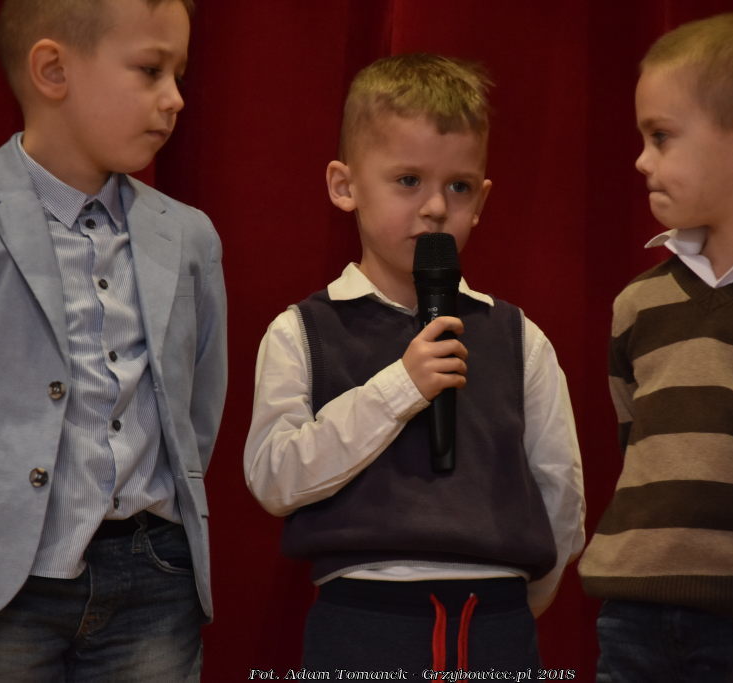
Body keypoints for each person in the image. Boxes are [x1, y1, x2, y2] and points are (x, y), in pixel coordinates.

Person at [0, 0, 226, 680]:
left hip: (152, 578)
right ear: (52, 70)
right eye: (150, 70)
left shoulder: (189, 233)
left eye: (180, 74)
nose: (175, 98)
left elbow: (197, 408)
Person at [243, 53, 585, 672]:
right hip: (363, 620)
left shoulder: (518, 337)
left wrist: (517, 603)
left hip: (495, 619)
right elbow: (274, 477)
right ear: (345, 186)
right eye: (408, 180)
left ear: (481, 200)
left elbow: (560, 490)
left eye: (458, 187)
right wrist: (400, 387)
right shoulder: (302, 331)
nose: (434, 207)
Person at [576, 12, 733, 683]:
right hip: (631, 609)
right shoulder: (638, 303)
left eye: (661, 136)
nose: (640, 159)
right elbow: (635, 437)